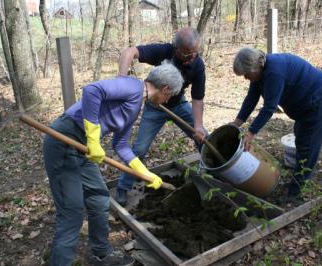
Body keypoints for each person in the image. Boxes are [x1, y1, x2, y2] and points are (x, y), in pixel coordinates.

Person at [42, 63, 183, 265]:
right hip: (65, 139)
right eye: (169, 97)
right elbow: (92, 90)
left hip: (85, 149)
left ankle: (102, 253)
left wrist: (145, 173)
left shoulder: (136, 106)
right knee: (71, 212)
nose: (166, 101)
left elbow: (121, 144)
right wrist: (92, 138)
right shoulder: (133, 87)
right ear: (165, 89)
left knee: (100, 199)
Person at [115, 27, 207, 206]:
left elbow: (197, 99)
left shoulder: (198, 65)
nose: (192, 57)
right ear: (176, 48)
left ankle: (213, 176)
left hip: (179, 105)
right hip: (155, 107)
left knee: (203, 138)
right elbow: (130, 52)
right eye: (187, 54)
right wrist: (121, 79)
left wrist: (198, 125)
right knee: (139, 149)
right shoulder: (163, 51)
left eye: (195, 53)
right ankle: (122, 187)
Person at [232, 48, 322, 199]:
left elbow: (269, 107)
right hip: (306, 101)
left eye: (246, 74)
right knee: (301, 137)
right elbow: (251, 98)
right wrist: (236, 123)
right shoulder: (259, 73)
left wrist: (250, 133)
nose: (245, 78)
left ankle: (295, 191)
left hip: (320, 96)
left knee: (308, 144)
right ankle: (299, 177)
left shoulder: (274, 72)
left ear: (255, 66)